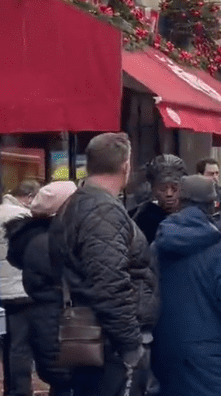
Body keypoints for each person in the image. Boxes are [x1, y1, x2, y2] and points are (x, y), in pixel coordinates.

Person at [49, 133, 158, 396]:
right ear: (125, 166)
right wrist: (131, 346)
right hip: (110, 347)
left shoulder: (80, 204)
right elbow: (110, 285)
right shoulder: (102, 211)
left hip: (98, 340)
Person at [151, 175, 221, 396]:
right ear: (213, 206)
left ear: (179, 201)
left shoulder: (158, 246)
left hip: (168, 360)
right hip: (217, 365)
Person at [6, 182, 78, 396]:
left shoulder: (38, 238)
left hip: (50, 320)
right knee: (65, 382)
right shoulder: (48, 243)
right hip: (58, 324)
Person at [0, 178, 41, 396]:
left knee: (6, 345)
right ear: (30, 197)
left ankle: (9, 389)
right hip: (19, 290)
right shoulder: (19, 216)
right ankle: (20, 390)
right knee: (20, 346)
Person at [131, 154, 187, 243]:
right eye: (162, 189)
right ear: (153, 190)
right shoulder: (141, 219)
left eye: (174, 188)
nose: (169, 194)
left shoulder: (192, 218)